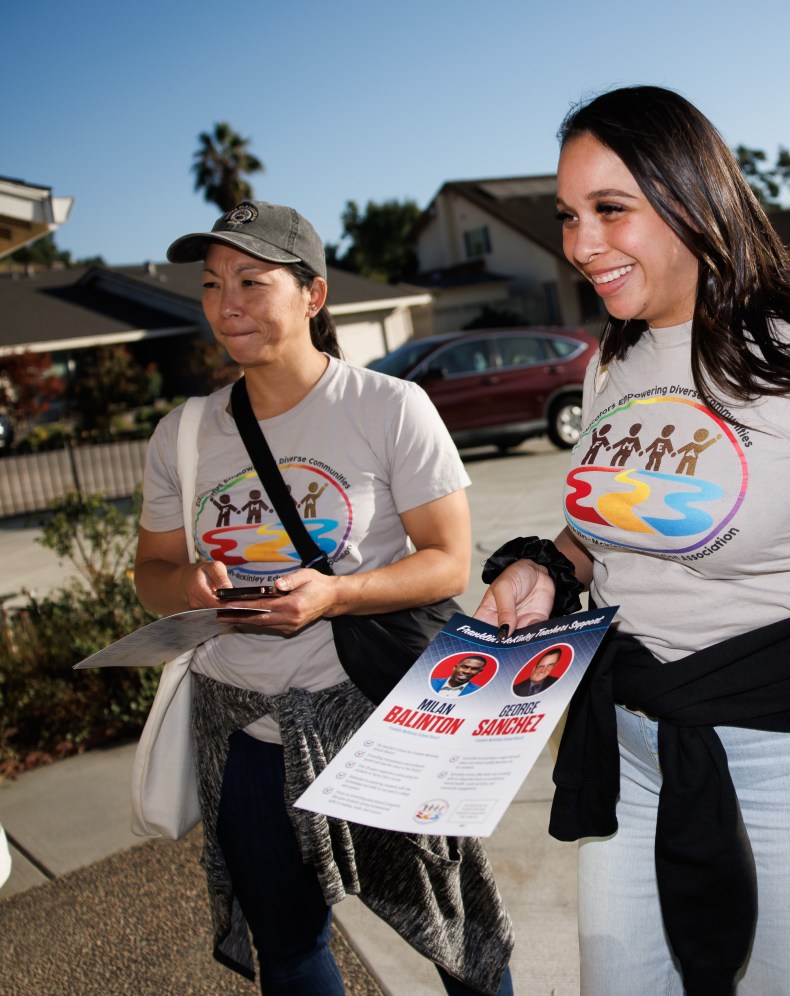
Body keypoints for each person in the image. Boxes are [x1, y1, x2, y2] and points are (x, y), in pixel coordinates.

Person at [474, 87, 790, 996]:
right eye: (570, 216)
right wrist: (545, 565)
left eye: (612, 210)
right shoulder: (613, 361)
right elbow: (602, 530)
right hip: (635, 749)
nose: (580, 245)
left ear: (695, 199)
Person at [134, 201, 513, 996]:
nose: (225, 302)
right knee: (290, 943)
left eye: (250, 280)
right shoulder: (186, 433)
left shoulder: (386, 407)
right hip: (242, 723)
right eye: (210, 283)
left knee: (462, 938)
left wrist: (336, 595)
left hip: (377, 709)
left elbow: (448, 564)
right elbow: (153, 571)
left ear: (313, 294)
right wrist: (189, 586)